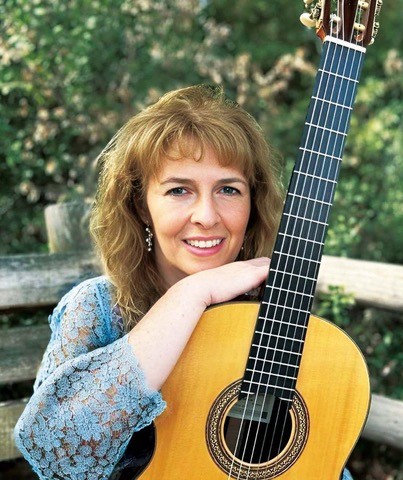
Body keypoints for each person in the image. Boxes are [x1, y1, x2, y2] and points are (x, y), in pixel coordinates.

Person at [14, 85, 354, 480]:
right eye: (179, 190)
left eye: (228, 189)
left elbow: (318, 459)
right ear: (142, 206)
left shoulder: (273, 313)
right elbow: (51, 452)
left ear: (252, 203)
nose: (206, 216)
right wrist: (190, 294)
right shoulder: (99, 308)